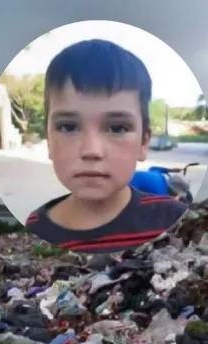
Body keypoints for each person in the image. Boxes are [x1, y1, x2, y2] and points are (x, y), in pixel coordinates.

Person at [25, 39, 188, 253]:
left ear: (144, 142)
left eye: (117, 128)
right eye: (68, 127)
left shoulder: (177, 221)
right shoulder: (36, 228)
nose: (91, 150)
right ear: (48, 140)